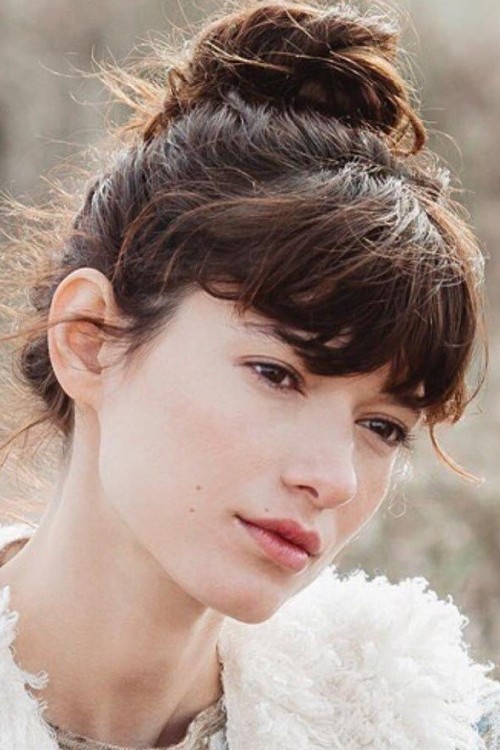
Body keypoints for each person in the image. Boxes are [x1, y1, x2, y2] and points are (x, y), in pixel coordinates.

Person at [0, 0, 498, 747]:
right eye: (276, 374)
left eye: (382, 426)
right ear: (89, 339)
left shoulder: (418, 724)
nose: (333, 479)